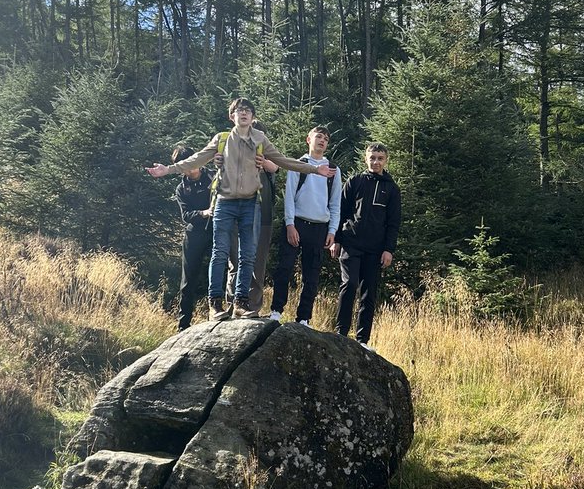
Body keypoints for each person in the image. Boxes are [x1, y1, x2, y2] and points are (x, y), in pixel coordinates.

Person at [146, 97, 335, 321]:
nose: (243, 113)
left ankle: (241, 303)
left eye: (247, 111)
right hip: (225, 203)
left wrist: (314, 170)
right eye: (239, 110)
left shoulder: (260, 138)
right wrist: (167, 169)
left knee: (247, 255)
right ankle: (215, 305)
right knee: (220, 253)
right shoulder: (222, 139)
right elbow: (196, 159)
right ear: (232, 116)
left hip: (250, 204)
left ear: (253, 117)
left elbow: (283, 161)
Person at [330, 142, 401, 350]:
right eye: (372, 158)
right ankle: (341, 333)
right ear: (366, 159)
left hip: (376, 249)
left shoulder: (392, 189)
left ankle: (362, 340)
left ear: (385, 160)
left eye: (380, 158)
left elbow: (393, 222)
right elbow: (341, 211)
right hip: (351, 244)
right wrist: (336, 240)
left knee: (369, 293)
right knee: (349, 284)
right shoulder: (355, 181)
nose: (376, 162)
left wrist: (389, 249)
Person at [269, 126, 341, 327]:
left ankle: (304, 318)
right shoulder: (298, 164)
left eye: (326, 138)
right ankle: (276, 311)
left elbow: (335, 202)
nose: (322, 141)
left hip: (320, 227)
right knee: (285, 268)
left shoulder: (334, 169)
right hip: (297, 223)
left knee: (312, 274)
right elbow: (289, 197)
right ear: (308, 139)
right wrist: (290, 224)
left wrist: (332, 231)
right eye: (318, 137)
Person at [227, 121, 278, 315]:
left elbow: (276, 168)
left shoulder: (268, 162)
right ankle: (232, 305)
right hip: (237, 218)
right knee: (236, 261)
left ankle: (253, 307)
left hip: (264, 219)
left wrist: (264, 163)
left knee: (258, 264)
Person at [171, 145, 214, 331]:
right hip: (193, 234)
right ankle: (183, 325)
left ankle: (218, 316)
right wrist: (204, 213)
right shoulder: (181, 188)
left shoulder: (213, 176)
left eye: (193, 163)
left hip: (216, 230)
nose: (191, 169)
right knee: (188, 281)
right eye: (185, 166)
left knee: (218, 274)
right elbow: (186, 215)